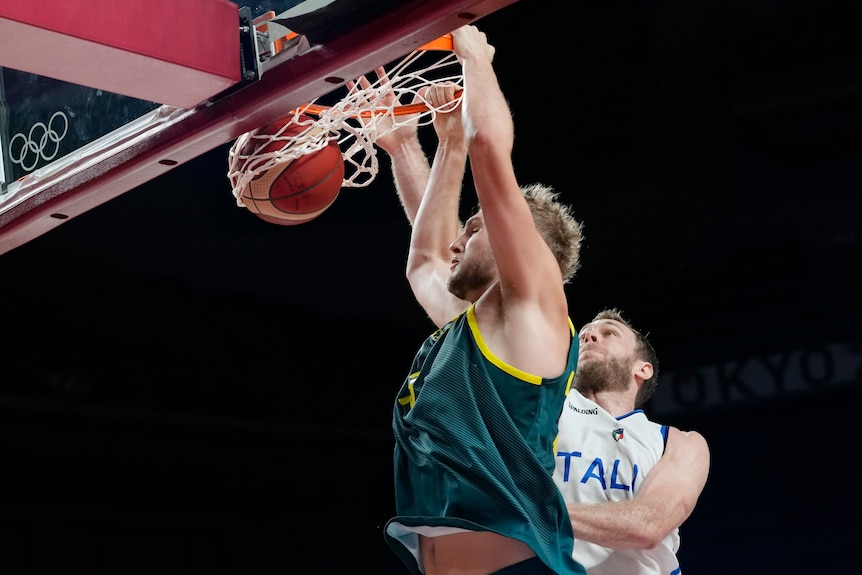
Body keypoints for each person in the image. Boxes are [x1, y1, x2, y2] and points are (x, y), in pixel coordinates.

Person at [370, 25, 587, 575]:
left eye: (474, 224)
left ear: (520, 238)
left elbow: (491, 144)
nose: (458, 239)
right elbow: (424, 263)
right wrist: (428, 146)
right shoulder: (475, 333)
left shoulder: (532, 313)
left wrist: (471, 51)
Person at [555, 308, 710, 574]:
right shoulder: (546, 412)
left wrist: (533, 510)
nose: (590, 336)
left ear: (643, 369)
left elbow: (648, 526)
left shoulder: (677, 442)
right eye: (584, 335)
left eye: (609, 333)